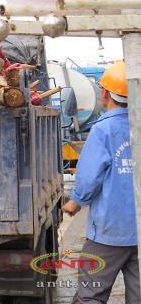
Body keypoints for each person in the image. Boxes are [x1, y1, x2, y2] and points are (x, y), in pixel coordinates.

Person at [62, 60, 140, 303]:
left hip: (110, 230)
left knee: (92, 293)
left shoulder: (103, 130)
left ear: (105, 92)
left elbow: (89, 176)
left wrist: (75, 203)